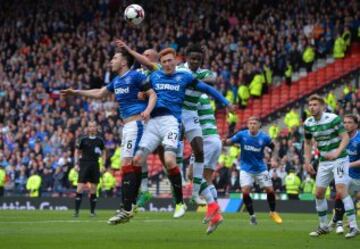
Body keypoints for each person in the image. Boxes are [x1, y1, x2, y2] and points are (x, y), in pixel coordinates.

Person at [108, 48, 231, 234]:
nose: (147, 60)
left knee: (175, 159)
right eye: (161, 61)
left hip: (173, 121)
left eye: (150, 58)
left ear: (173, 61)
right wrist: (141, 97)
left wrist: (225, 102)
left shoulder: (180, 75)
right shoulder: (149, 77)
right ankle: (134, 201)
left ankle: (183, 198)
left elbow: (208, 84)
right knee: (138, 159)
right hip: (153, 123)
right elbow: (141, 90)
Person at [61, 49, 157, 217]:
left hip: (137, 123)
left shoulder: (135, 76)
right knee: (126, 164)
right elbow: (99, 93)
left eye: (115, 58)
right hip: (127, 126)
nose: (111, 61)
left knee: (129, 162)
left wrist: (148, 110)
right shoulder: (116, 81)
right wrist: (76, 92)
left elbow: (152, 94)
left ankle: (129, 204)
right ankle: (131, 202)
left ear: (124, 62)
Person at [303, 95, 358, 238]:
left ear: (322, 106)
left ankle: (353, 226)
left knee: (341, 190)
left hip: (340, 159)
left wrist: (337, 152)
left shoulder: (333, 119)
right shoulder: (308, 123)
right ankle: (323, 226)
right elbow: (308, 143)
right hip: (324, 161)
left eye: (315, 104)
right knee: (318, 193)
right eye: (310, 105)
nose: (312, 107)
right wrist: (307, 161)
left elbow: (345, 137)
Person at [223, 116, 283, 225]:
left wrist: (274, 158)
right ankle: (252, 216)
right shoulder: (242, 135)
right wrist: (224, 142)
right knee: (245, 192)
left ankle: (273, 212)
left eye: (254, 123)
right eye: (250, 123)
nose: (252, 125)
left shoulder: (264, 137)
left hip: (260, 168)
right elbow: (230, 141)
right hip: (246, 169)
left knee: (270, 190)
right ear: (248, 125)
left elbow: (275, 147)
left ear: (259, 125)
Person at [328, 114, 360, 237]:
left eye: (350, 122)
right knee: (340, 196)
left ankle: (334, 221)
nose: (346, 124)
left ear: (356, 125)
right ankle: (352, 227)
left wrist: (349, 164)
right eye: (345, 122)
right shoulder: (341, 138)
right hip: (349, 176)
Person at [71, 121, 105, 217]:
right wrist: (76, 163)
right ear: (88, 128)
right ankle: (76, 212)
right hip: (84, 164)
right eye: (90, 126)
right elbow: (77, 152)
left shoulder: (100, 140)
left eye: (94, 126)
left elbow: (104, 152)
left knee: (93, 189)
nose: (92, 128)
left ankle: (92, 212)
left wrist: (103, 164)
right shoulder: (82, 139)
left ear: (96, 128)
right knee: (80, 188)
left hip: (95, 164)